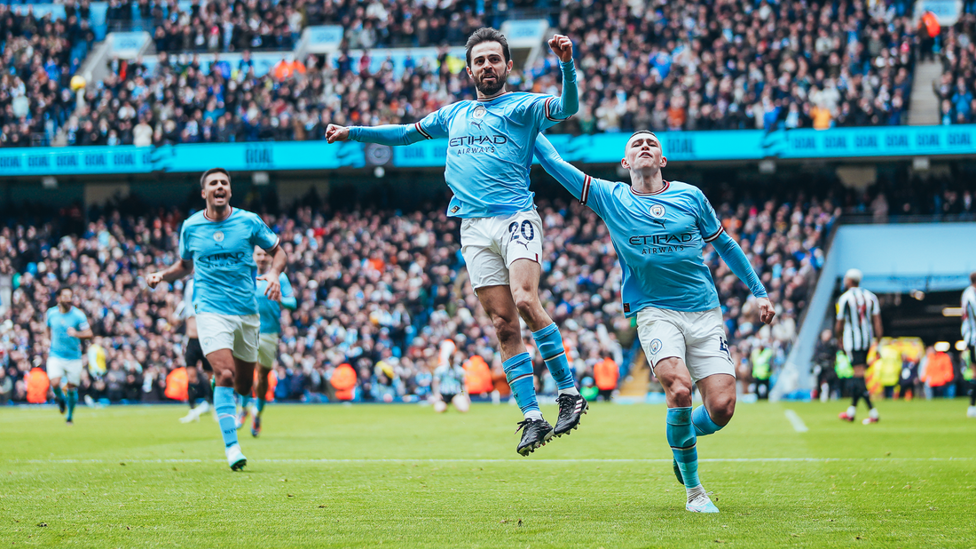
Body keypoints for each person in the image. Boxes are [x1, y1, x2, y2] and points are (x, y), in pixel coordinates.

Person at [326, 28, 585, 456]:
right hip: (472, 227)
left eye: (494, 59)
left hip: (515, 216)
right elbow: (405, 134)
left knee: (524, 300)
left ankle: (569, 393)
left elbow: (567, 107)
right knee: (503, 326)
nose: (487, 66)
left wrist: (567, 64)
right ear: (469, 69)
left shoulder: (523, 106)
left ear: (507, 66)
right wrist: (353, 132)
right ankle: (533, 417)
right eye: (479, 60)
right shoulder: (454, 114)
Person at [533, 132, 775, 514]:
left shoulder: (690, 196)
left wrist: (758, 291)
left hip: (703, 311)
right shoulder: (611, 197)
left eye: (652, 143)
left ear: (663, 160)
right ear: (626, 163)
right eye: (636, 144)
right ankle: (695, 493)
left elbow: (725, 243)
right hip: (654, 310)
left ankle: (681, 439)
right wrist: (530, 128)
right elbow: (558, 166)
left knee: (723, 407)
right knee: (679, 389)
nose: (645, 145)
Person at [146, 167, 286, 471]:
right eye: (214, 183)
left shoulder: (248, 221)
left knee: (244, 383)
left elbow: (279, 252)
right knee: (224, 374)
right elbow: (184, 265)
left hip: (247, 313)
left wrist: (274, 273)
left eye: (224, 182)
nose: (220, 186)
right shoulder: (191, 226)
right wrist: (163, 275)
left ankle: (230, 394)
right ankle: (232, 447)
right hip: (209, 309)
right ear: (204, 192)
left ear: (230, 191)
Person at [242, 245, 297, 437]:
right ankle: (243, 407)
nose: (262, 258)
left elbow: (293, 303)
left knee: (263, 376)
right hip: (247, 330)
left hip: (268, 333)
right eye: (259, 254)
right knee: (244, 371)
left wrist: (280, 298)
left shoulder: (279, 278)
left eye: (266, 254)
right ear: (253, 256)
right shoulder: (245, 275)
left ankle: (257, 412)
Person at [835, 269, 882, 425]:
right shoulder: (871, 297)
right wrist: (878, 341)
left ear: (849, 280)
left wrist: (838, 338)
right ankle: (851, 411)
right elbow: (877, 322)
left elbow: (839, 323)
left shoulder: (845, 298)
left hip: (852, 341)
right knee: (858, 375)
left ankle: (873, 412)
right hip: (867, 340)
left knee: (858, 376)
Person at [46, 287, 94, 424]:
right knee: (55, 382)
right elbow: (47, 327)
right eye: (65, 296)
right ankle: (61, 399)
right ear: (59, 298)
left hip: (73, 357)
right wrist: (46, 339)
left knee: (72, 388)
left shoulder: (78, 315)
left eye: (70, 297)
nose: (68, 300)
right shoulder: (51, 313)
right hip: (56, 354)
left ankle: (70, 416)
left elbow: (89, 333)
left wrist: (77, 333)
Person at [175, 277, 215, 423]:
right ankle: (192, 409)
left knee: (211, 376)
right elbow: (174, 320)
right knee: (191, 376)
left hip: (206, 340)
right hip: (192, 341)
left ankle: (213, 404)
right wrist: (168, 304)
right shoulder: (185, 307)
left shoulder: (208, 306)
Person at [433, 341, 470, 413]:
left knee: (464, 409)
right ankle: (444, 405)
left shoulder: (459, 370)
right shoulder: (441, 369)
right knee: (439, 409)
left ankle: (456, 402)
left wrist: (464, 394)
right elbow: (436, 383)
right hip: (443, 394)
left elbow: (463, 384)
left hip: (456, 394)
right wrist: (436, 393)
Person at [962, 272, 976, 417]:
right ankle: (972, 406)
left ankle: (972, 406)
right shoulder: (970, 296)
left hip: (970, 337)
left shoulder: (967, 293)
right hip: (973, 338)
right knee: (974, 371)